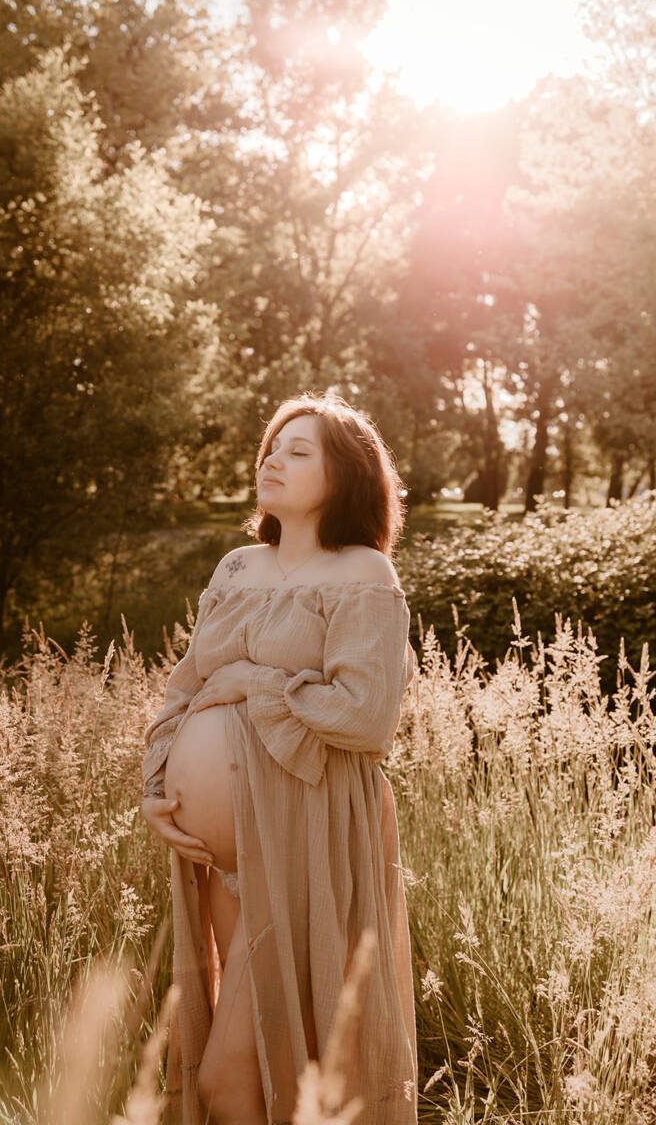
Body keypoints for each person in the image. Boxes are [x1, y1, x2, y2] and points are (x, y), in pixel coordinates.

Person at [140, 392, 418, 1125]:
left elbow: (365, 716)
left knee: (228, 1082)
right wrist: (156, 790)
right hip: (222, 858)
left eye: (300, 451)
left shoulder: (363, 573)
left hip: (307, 835)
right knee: (271, 1067)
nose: (274, 459)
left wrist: (252, 683)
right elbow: (185, 687)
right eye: (272, 445)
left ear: (345, 475)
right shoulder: (235, 568)